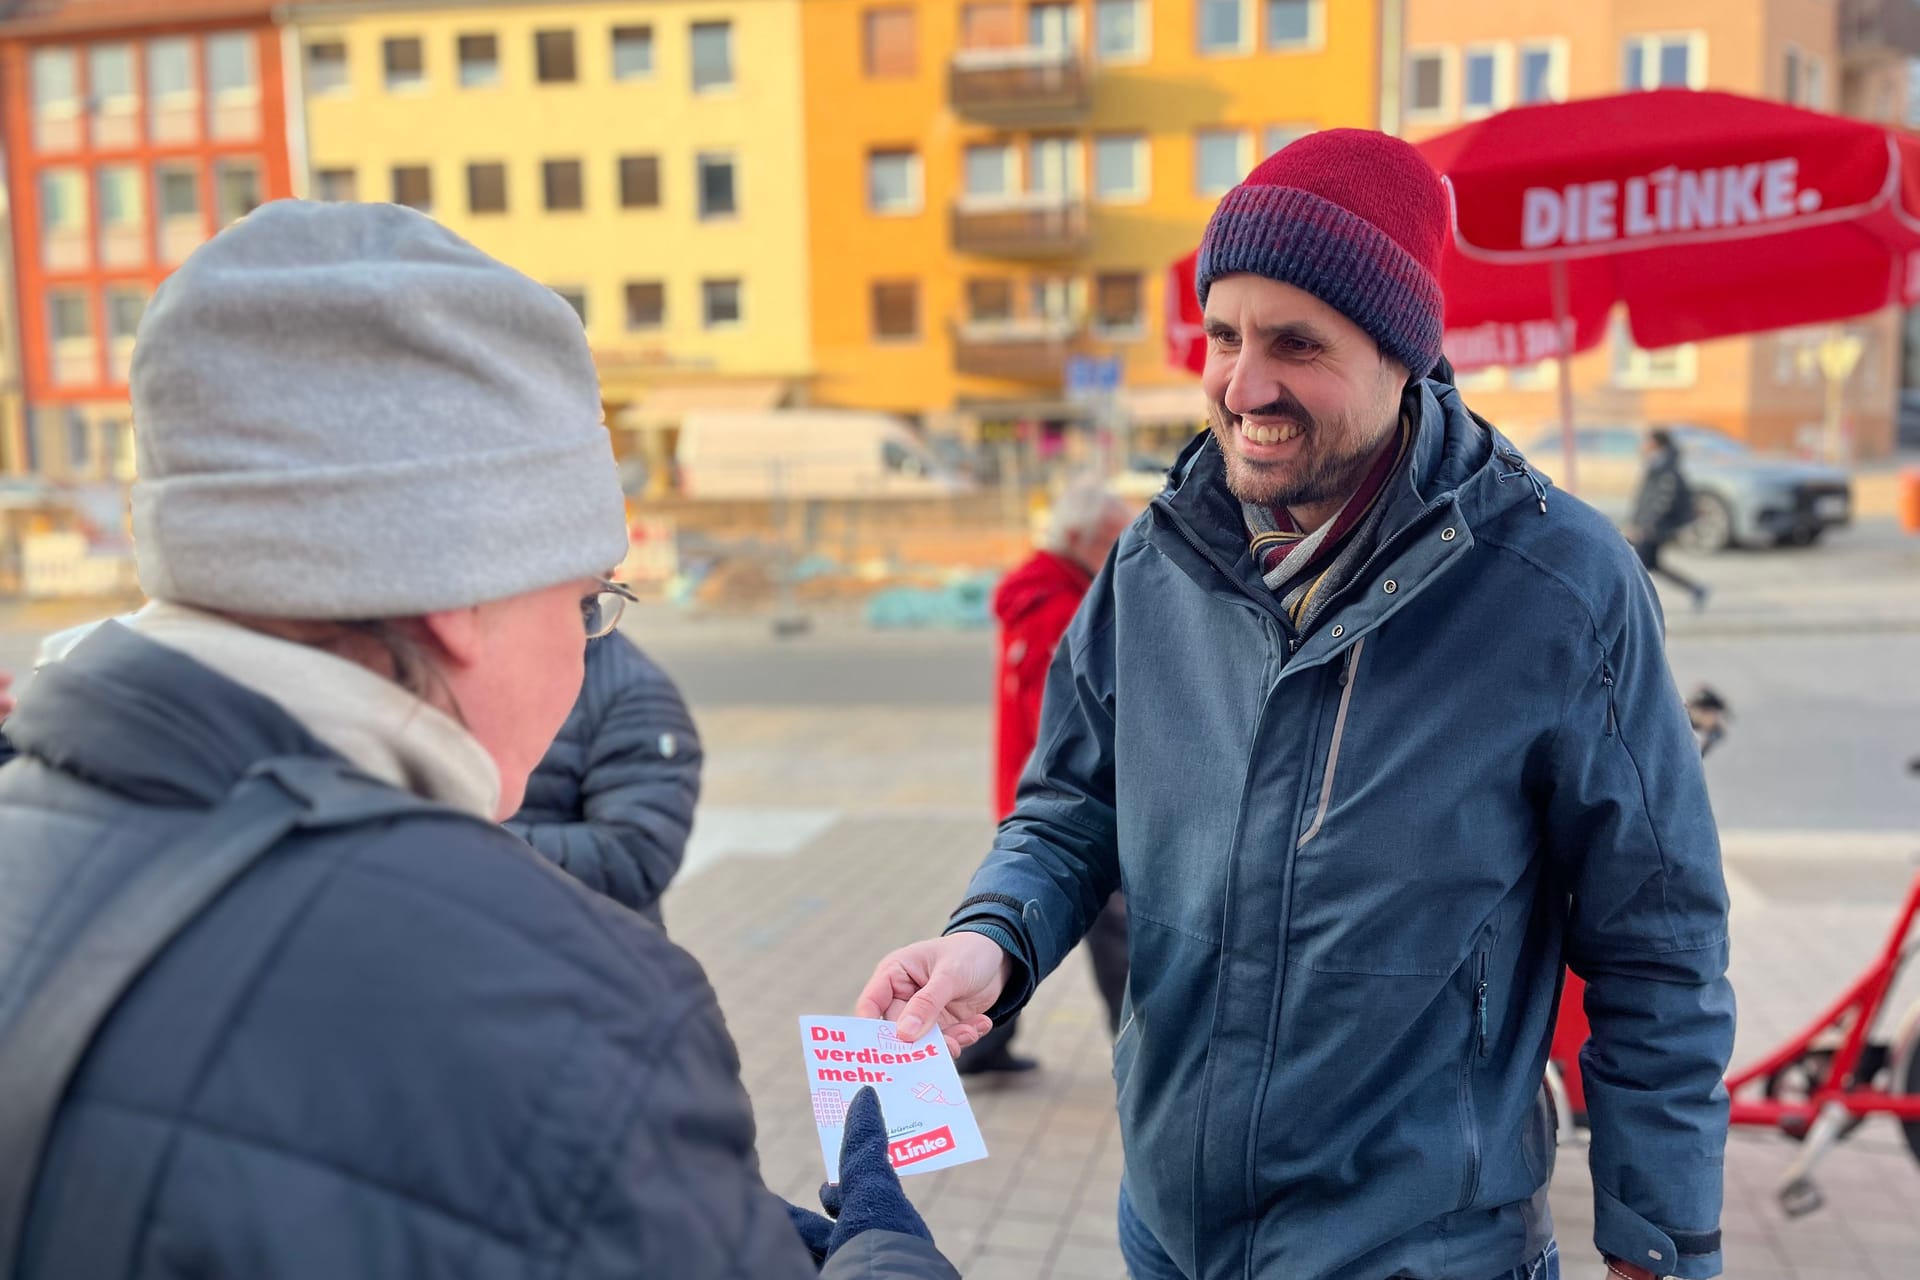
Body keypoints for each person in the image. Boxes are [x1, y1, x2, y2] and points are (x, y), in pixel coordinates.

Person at [0, 201, 956, 1279]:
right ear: (461, 591)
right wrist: (883, 1248)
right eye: (587, 601)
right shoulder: (566, 1005)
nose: (590, 643)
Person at [857, 130, 1733, 1280]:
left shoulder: (1558, 588)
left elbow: (1659, 944)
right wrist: (994, 936)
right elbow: (1071, 804)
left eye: (1295, 343)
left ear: (1401, 354)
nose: (1241, 382)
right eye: (1222, 334)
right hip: (1169, 1236)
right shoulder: (1156, 560)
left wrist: (1660, 1241)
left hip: (1423, 1255)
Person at [958, 480, 1134, 1076]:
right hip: (1064, 793)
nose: (1124, 548)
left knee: (1022, 916)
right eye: (1114, 538)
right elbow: (1066, 722)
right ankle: (1136, 1050)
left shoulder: (1042, 589)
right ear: (1082, 539)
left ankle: (982, 1043)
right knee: (1109, 930)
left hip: (1031, 784)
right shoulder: (1061, 606)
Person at [506, 629, 701, 926]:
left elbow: (633, 858)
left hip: (575, 946)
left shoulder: (634, 690)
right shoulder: (491, 665)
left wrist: (463, 842)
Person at [1629, 429, 1709, 610]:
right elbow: (1646, 498)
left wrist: (1646, 525)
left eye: (1647, 442)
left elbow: (1662, 501)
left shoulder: (1666, 468)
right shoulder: (1657, 464)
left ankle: (1638, 608)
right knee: (1650, 565)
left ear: (1657, 444)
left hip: (1655, 528)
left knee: (1635, 567)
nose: (1643, 446)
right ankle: (1696, 589)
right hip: (1650, 526)